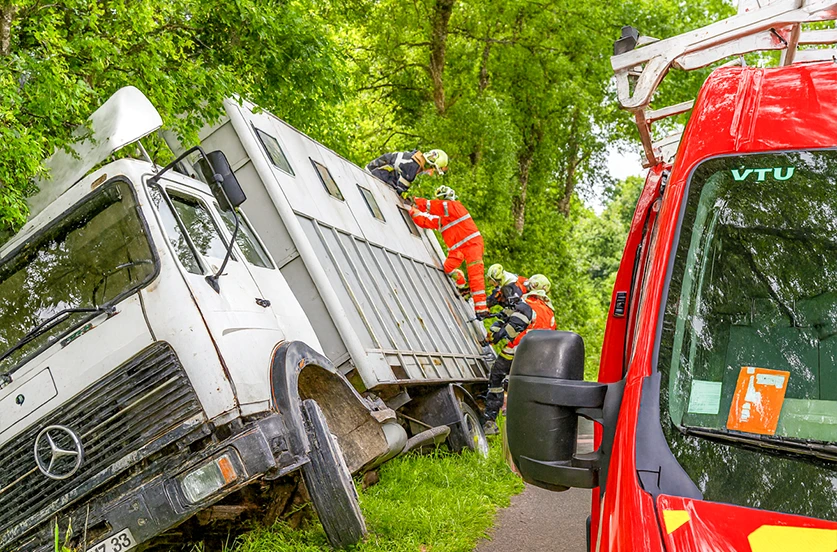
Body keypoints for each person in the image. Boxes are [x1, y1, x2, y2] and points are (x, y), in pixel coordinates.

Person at [483, 274, 556, 435]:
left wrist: (493, 338)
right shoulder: (549, 311)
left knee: (496, 378)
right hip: (541, 358)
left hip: (518, 351)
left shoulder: (526, 306)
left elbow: (512, 329)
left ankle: (490, 421)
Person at [409, 186, 488, 316]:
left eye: (441, 199)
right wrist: (413, 212)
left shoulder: (454, 207)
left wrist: (414, 201)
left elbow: (432, 206)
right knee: (448, 268)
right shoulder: (444, 218)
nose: (439, 201)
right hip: (458, 249)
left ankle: (481, 309)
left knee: (475, 274)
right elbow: (426, 221)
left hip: (472, 245)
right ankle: (463, 286)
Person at [365, 149, 449, 194]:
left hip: (378, 171)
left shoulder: (414, 156)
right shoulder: (412, 168)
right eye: (432, 168)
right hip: (379, 176)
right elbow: (400, 190)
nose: (430, 171)